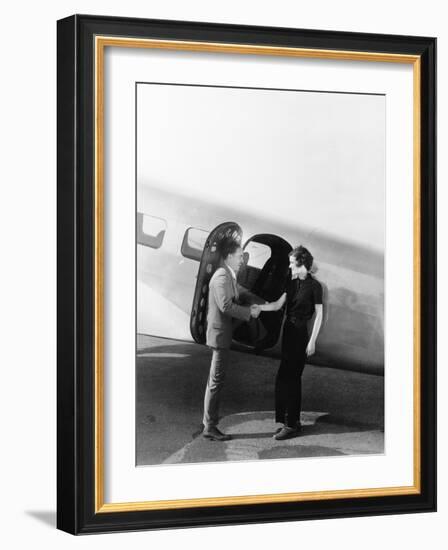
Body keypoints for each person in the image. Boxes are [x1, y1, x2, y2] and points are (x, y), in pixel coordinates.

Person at [259, 245, 323, 440]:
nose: (289, 267)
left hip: (301, 334)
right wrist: (257, 307)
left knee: (292, 380)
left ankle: (291, 425)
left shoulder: (315, 286)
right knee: (283, 377)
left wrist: (312, 342)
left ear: (302, 263)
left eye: (291, 263)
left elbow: (319, 315)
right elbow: (278, 305)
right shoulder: (291, 282)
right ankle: (290, 422)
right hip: (288, 332)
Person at [202, 238, 261, 441]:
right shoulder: (221, 276)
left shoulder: (228, 275)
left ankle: (209, 424)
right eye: (238, 256)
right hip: (219, 335)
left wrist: (257, 300)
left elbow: (239, 291)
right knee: (216, 382)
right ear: (228, 256)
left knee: (215, 380)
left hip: (223, 334)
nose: (241, 260)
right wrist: (248, 313)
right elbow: (226, 306)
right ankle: (209, 427)